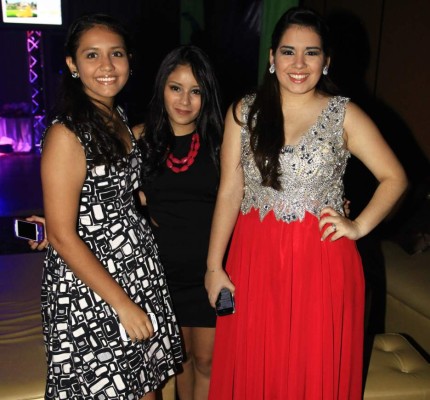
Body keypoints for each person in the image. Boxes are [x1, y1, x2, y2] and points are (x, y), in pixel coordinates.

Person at [204, 6, 407, 400]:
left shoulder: (344, 114)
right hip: (254, 259)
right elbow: (229, 190)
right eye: (288, 51)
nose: (298, 64)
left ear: (326, 61)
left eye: (311, 53)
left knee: (311, 369)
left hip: (321, 263)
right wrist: (214, 266)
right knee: (255, 365)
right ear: (272, 57)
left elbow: (394, 177)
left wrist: (359, 225)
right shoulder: (244, 112)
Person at [38, 13, 182, 399]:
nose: (106, 65)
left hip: (133, 270)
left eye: (116, 53)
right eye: (92, 55)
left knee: (145, 385)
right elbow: (62, 236)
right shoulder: (66, 133)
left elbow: (109, 191)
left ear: (129, 61)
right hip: (94, 289)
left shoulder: (114, 117)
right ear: (72, 64)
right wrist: (122, 304)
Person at [136, 45, 224, 399]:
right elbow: (101, 192)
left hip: (211, 272)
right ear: (162, 87)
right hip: (160, 275)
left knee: (208, 362)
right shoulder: (138, 139)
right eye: (176, 88)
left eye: (195, 91)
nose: (185, 100)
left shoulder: (221, 143)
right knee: (180, 362)